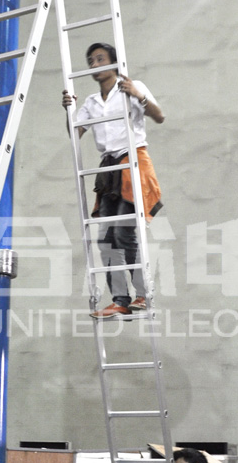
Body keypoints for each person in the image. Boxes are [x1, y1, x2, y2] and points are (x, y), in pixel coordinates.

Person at [62, 41, 164, 319]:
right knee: (106, 239)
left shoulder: (131, 87)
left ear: (114, 62)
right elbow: (75, 134)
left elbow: (159, 116)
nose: (94, 65)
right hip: (108, 169)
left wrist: (138, 96)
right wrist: (69, 111)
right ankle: (119, 299)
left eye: (100, 59)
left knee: (123, 232)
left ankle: (143, 294)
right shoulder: (91, 102)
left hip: (133, 161)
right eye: (91, 61)